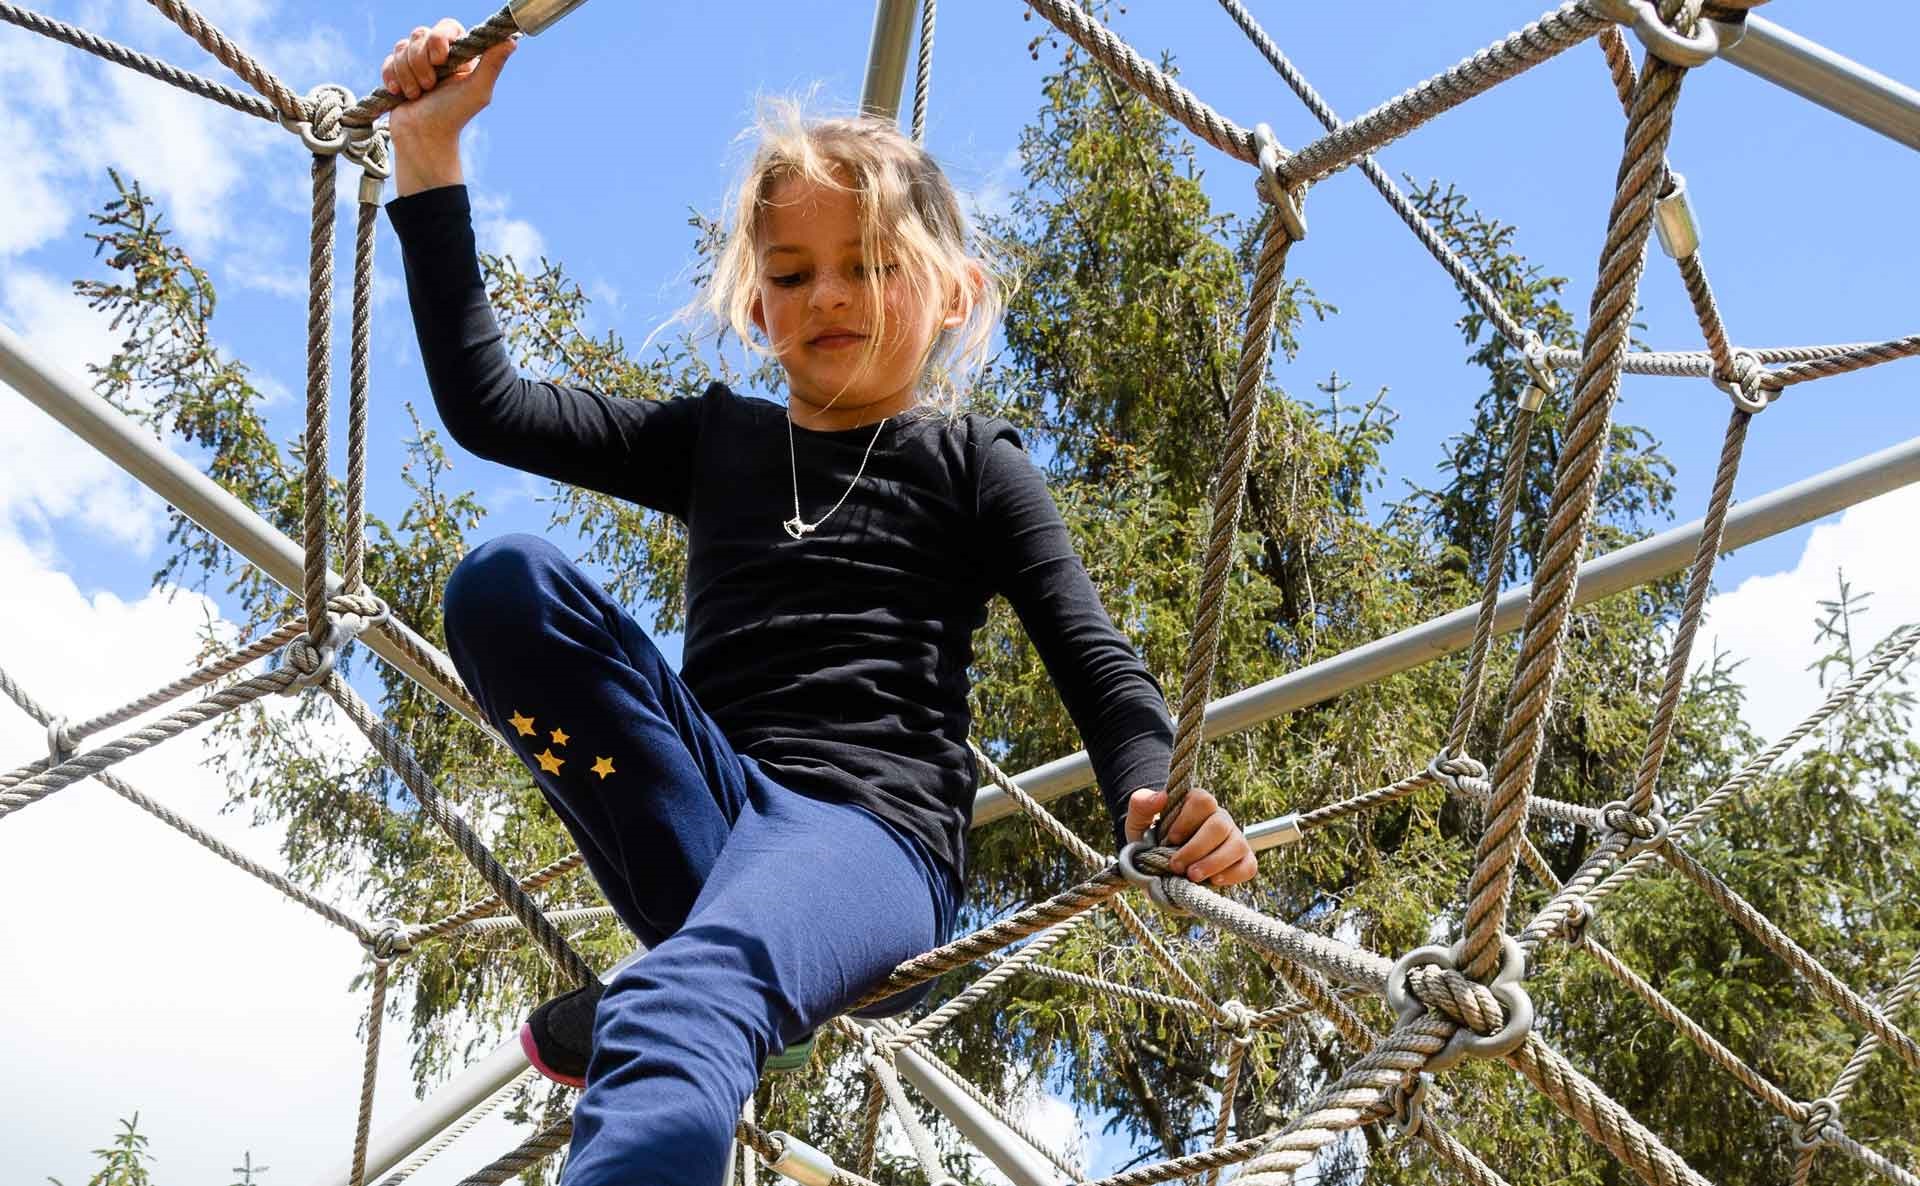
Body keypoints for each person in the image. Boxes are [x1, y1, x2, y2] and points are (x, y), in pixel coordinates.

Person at [379, 17, 1258, 1185]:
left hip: (865, 841)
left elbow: (1091, 655)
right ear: (756, 308)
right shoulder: (717, 443)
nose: (830, 296)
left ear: (955, 294)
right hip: (703, 811)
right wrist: (428, 154)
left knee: (682, 1003)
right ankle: (713, 973)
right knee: (506, 586)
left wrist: (1149, 784)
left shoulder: (971, 463)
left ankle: (695, 992)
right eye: (791, 275)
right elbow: (490, 406)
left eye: (875, 266)